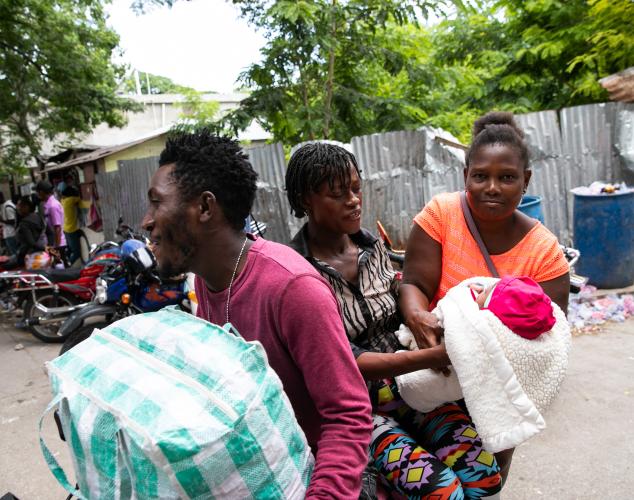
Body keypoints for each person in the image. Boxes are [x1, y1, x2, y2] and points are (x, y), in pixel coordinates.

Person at [141, 130, 373, 498]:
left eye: (156, 203)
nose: (147, 221)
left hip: (311, 478)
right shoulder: (208, 278)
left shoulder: (292, 289)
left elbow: (349, 416)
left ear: (204, 207)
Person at [286, 142, 502, 499]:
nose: (354, 200)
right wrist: (433, 357)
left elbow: (397, 290)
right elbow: (345, 359)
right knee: (443, 492)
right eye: (338, 194)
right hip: (359, 408)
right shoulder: (300, 274)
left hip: (413, 386)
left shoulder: (372, 248)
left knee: (483, 476)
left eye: (356, 188)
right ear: (306, 199)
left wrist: (421, 317)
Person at [399, 111, 570, 486]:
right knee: (432, 474)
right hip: (433, 365)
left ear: (525, 181)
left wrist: (478, 350)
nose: (492, 187)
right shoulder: (441, 215)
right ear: (465, 176)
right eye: (481, 176)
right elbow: (414, 282)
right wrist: (418, 318)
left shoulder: (545, 254)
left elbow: (549, 341)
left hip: (499, 390)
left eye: (507, 177)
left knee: (486, 477)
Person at [0, 196, 47, 269]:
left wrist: (46, 248)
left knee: (3, 266)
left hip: (25, 256)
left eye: (19, 205)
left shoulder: (24, 223)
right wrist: (48, 247)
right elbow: (50, 233)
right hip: (38, 254)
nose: (17, 207)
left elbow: (31, 243)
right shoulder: (38, 216)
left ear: (26, 207)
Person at [35, 180, 67, 261]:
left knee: (60, 270)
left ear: (41, 192)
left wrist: (56, 249)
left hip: (57, 244)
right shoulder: (48, 204)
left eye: (37, 192)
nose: (37, 194)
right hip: (52, 243)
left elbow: (57, 228)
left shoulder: (53, 206)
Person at [60, 179, 85, 265]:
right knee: (77, 253)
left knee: (70, 249)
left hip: (66, 229)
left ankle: (63, 262)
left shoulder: (63, 201)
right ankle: (67, 266)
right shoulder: (70, 200)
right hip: (71, 229)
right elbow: (80, 198)